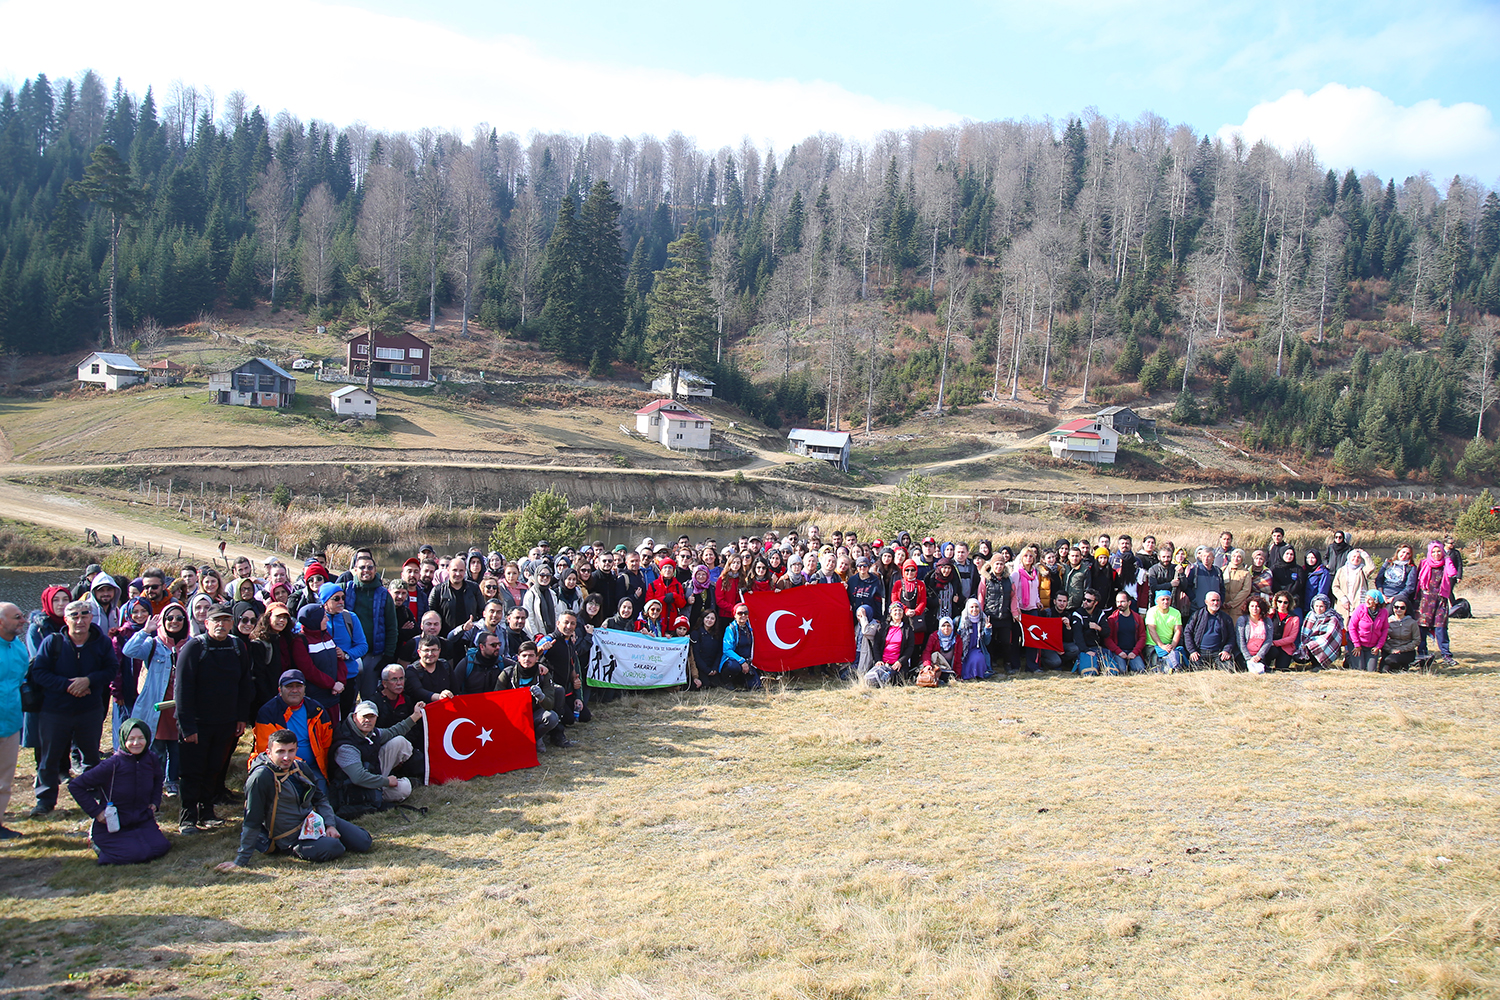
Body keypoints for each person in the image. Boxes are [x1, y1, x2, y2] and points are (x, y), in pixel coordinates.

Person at [216, 729, 373, 871]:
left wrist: (330, 825)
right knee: (335, 847)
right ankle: (299, 848)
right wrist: (241, 860)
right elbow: (252, 819)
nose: (286, 757)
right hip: (290, 837)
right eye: (280, 752)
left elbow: (320, 798)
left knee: (364, 841)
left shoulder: (300, 767)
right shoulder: (261, 777)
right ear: (268, 752)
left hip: (313, 823)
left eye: (291, 751)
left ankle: (325, 838)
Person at [28, 599, 115, 818]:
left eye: (84, 615)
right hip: (55, 710)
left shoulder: (101, 642)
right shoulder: (52, 642)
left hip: (89, 709)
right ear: (66, 620)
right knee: (50, 758)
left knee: (91, 757)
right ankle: (45, 800)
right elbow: (39, 673)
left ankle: (94, 794)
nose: (80, 620)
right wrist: (68, 686)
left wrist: (89, 680)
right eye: (74, 616)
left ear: (90, 618)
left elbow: (111, 669)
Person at [174, 604, 252, 833]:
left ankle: (207, 812)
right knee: (191, 772)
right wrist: (187, 727)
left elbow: (244, 684)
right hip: (197, 723)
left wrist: (241, 717)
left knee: (214, 769)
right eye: (216, 620)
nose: (221, 625)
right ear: (206, 623)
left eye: (225, 620)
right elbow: (182, 690)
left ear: (231, 624)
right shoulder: (194, 648)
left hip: (226, 722)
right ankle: (187, 818)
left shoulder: (237, 646)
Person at [66, 718, 170, 865]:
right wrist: (96, 812)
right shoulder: (112, 764)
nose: (136, 743)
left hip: (141, 819)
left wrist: (155, 801)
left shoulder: (151, 759)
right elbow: (76, 786)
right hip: (113, 824)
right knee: (135, 855)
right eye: (131, 739)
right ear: (123, 739)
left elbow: (158, 779)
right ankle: (97, 843)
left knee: (159, 848)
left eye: (141, 738)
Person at [330, 699, 425, 810]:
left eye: (372, 717)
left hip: (372, 771)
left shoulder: (372, 733)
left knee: (400, 741)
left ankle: (402, 777)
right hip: (354, 788)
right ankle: (401, 784)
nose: (367, 720)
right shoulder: (346, 746)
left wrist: (415, 716)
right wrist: (386, 781)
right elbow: (358, 777)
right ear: (355, 717)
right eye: (364, 716)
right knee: (404, 788)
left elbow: (393, 731)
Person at [251, 670, 334, 788]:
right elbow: (265, 749)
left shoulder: (317, 710)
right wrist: (300, 766)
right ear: (280, 690)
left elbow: (327, 744)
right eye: (289, 686)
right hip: (280, 769)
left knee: (323, 801)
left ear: (304, 689)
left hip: (315, 769)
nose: (294, 690)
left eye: (298, 686)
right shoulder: (268, 712)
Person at [497, 642, 573, 751]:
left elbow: (550, 704)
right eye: (524, 656)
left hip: (534, 714)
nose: (527, 659)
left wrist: (541, 697)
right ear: (518, 658)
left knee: (551, 717)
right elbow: (497, 698)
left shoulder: (543, 675)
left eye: (531, 656)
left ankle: (534, 738)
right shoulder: (507, 674)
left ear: (537, 658)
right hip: (513, 715)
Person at [343, 555, 397, 701]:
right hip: (349, 654)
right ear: (355, 570)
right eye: (362, 567)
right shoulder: (345, 590)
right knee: (348, 696)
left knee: (369, 696)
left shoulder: (384, 594)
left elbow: (392, 627)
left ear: (375, 570)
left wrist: (388, 655)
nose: (366, 570)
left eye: (370, 567)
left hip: (373, 654)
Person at [0, 603, 29, 839]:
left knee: (4, 780)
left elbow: (20, 681)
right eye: (17, 617)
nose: (23, 620)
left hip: (10, 724)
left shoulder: (19, 648)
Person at [1415, 540, 1458, 666]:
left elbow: (1452, 573)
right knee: (1422, 629)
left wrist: (1447, 559)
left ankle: (1446, 655)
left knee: (1441, 629)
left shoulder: (1446, 564)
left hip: (1440, 601)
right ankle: (1422, 654)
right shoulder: (1424, 563)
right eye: (1433, 551)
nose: (1436, 554)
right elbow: (1417, 581)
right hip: (1425, 601)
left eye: (1439, 551)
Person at [862, 602, 915, 687]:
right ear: (890, 612)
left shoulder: (908, 629)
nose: (898, 612)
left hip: (898, 665)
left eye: (900, 610)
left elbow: (910, 648)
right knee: (871, 679)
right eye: (895, 610)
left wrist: (900, 662)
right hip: (883, 663)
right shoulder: (883, 627)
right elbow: (876, 645)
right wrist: (878, 660)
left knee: (894, 681)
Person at [1184, 591, 1236, 671]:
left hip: (1218, 653)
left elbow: (1231, 636)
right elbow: (1187, 633)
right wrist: (1192, 651)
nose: (1216, 603)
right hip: (1200, 652)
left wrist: (1226, 650)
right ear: (1206, 602)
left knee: (1229, 669)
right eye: (1213, 600)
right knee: (1198, 673)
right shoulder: (1197, 615)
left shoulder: (1226, 618)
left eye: (1218, 600)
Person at [1102, 590, 1147, 674]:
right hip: (1118, 652)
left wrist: (1135, 652)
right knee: (1121, 671)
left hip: (1133, 652)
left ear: (1129, 603)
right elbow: (1108, 639)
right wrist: (1119, 652)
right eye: (1118, 602)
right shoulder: (1112, 619)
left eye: (1122, 602)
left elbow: (1142, 636)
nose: (1119, 604)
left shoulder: (1137, 618)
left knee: (1140, 670)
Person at [718, 604, 762, 690]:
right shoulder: (730, 629)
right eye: (740, 613)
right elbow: (727, 650)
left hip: (747, 661)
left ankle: (739, 680)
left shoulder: (750, 629)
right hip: (733, 661)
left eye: (746, 613)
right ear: (734, 615)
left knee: (755, 686)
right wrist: (741, 661)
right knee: (734, 667)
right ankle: (726, 680)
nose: (743, 615)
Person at [1347, 590, 1389, 672]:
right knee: (1360, 669)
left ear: (1376, 601)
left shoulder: (1384, 612)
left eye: (1370, 599)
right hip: (1358, 644)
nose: (1367, 601)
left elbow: (1385, 630)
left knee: (1371, 670)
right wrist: (1356, 644)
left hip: (1372, 646)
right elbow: (1351, 627)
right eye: (1366, 598)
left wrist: (1378, 646)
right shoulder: (1360, 609)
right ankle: (1349, 658)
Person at [1298, 595, 1343, 671]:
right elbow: (1306, 632)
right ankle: (1312, 663)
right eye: (1316, 606)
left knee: (1313, 646)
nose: (1318, 609)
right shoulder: (1310, 615)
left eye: (1321, 606)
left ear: (1326, 606)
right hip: (1311, 641)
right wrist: (1306, 643)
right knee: (1298, 657)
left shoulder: (1332, 618)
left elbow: (1329, 636)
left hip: (1326, 644)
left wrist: (1313, 642)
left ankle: (1319, 665)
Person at [1144, 589, 1184, 673]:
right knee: (1156, 666)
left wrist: (1172, 646)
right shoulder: (1151, 612)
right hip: (1153, 645)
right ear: (1157, 601)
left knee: (1175, 654)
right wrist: (1162, 646)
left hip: (1169, 645)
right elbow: (1152, 630)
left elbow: (1178, 631)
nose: (1165, 602)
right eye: (1163, 599)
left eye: (1168, 599)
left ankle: (1174, 668)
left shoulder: (1176, 613)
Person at [1331, 549, 1374, 624]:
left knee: (1358, 627)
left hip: (1359, 604)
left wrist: (1364, 554)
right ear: (1349, 557)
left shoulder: (1362, 570)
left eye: (1359, 557)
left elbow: (1372, 568)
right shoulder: (1341, 570)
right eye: (1354, 556)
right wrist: (1343, 598)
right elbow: (1335, 587)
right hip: (1344, 604)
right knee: (1343, 627)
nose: (1356, 559)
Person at [1235, 596, 1276, 674]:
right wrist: (1248, 657)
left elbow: (1269, 639)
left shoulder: (1267, 621)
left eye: (1257, 606)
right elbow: (1240, 640)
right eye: (1252, 606)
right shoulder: (1242, 620)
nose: (1254, 608)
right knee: (1245, 670)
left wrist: (1259, 656)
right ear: (1248, 607)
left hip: (1259, 653)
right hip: (1245, 653)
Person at [919, 616, 962, 683]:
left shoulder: (957, 639)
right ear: (940, 627)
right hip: (935, 665)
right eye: (943, 626)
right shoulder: (934, 636)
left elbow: (958, 659)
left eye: (949, 626)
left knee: (949, 676)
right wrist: (927, 665)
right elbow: (927, 652)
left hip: (948, 668)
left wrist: (958, 675)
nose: (946, 628)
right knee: (935, 655)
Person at [1382, 598, 1420, 671]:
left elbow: (1416, 640)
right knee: (1384, 670)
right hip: (1390, 650)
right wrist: (1390, 649)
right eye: (1396, 607)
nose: (1399, 609)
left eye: (1402, 608)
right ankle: (1401, 667)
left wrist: (1401, 649)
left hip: (1406, 651)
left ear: (1406, 609)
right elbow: (1383, 639)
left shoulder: (1412, 623)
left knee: (1391, 660)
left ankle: (1404, 665)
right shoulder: (1387, 621)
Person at [957, 598, 990, 680]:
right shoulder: (963, 621)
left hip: (976, 649)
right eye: (971, 607)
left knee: (978, 659)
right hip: (964, 649)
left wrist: (988, 630)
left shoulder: (983, 620)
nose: (974, 609)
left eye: (976, 607)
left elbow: (986, 642)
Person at [1268, 591, 1301, 672]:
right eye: (1280, 601)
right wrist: (1269, 614)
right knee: (1272, 653)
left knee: (1281, 669)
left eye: (1285, 602)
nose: (1282, 604)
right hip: (1270, 645)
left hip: (1285, 646)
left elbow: (1292, 638)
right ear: (1276, 602)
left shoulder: (1294, 618)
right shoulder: (1270, 614)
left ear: (1289, 604)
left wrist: (1275, 643)